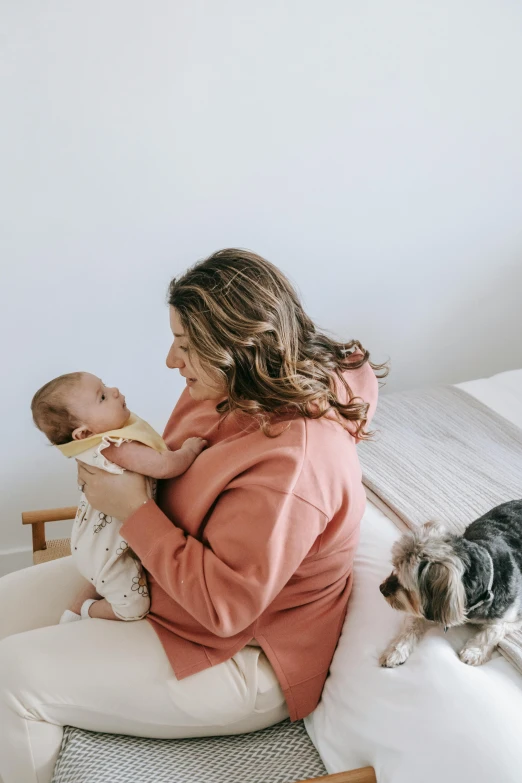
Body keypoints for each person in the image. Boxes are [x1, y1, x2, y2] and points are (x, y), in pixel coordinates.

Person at [0, 249, 384, 783]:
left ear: (240, 349)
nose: (169, 361)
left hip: (238, 653)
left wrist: (132, 509)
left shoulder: (294, 464)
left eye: (184, 346)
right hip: (151, 576)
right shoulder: (226, 391)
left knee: (10, 678)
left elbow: (224, 609)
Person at [30, 370, 206, 623]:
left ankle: (71, 611)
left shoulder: (94, 447)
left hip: (95, 547)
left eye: (105, 386)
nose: (114, 391)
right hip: (109, 550)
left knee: (99, 575)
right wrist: (189, 450)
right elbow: (166, 466)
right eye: (102, 397)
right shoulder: (114, 447)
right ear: (83, 434)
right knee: (134, 607)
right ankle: (87, 610)